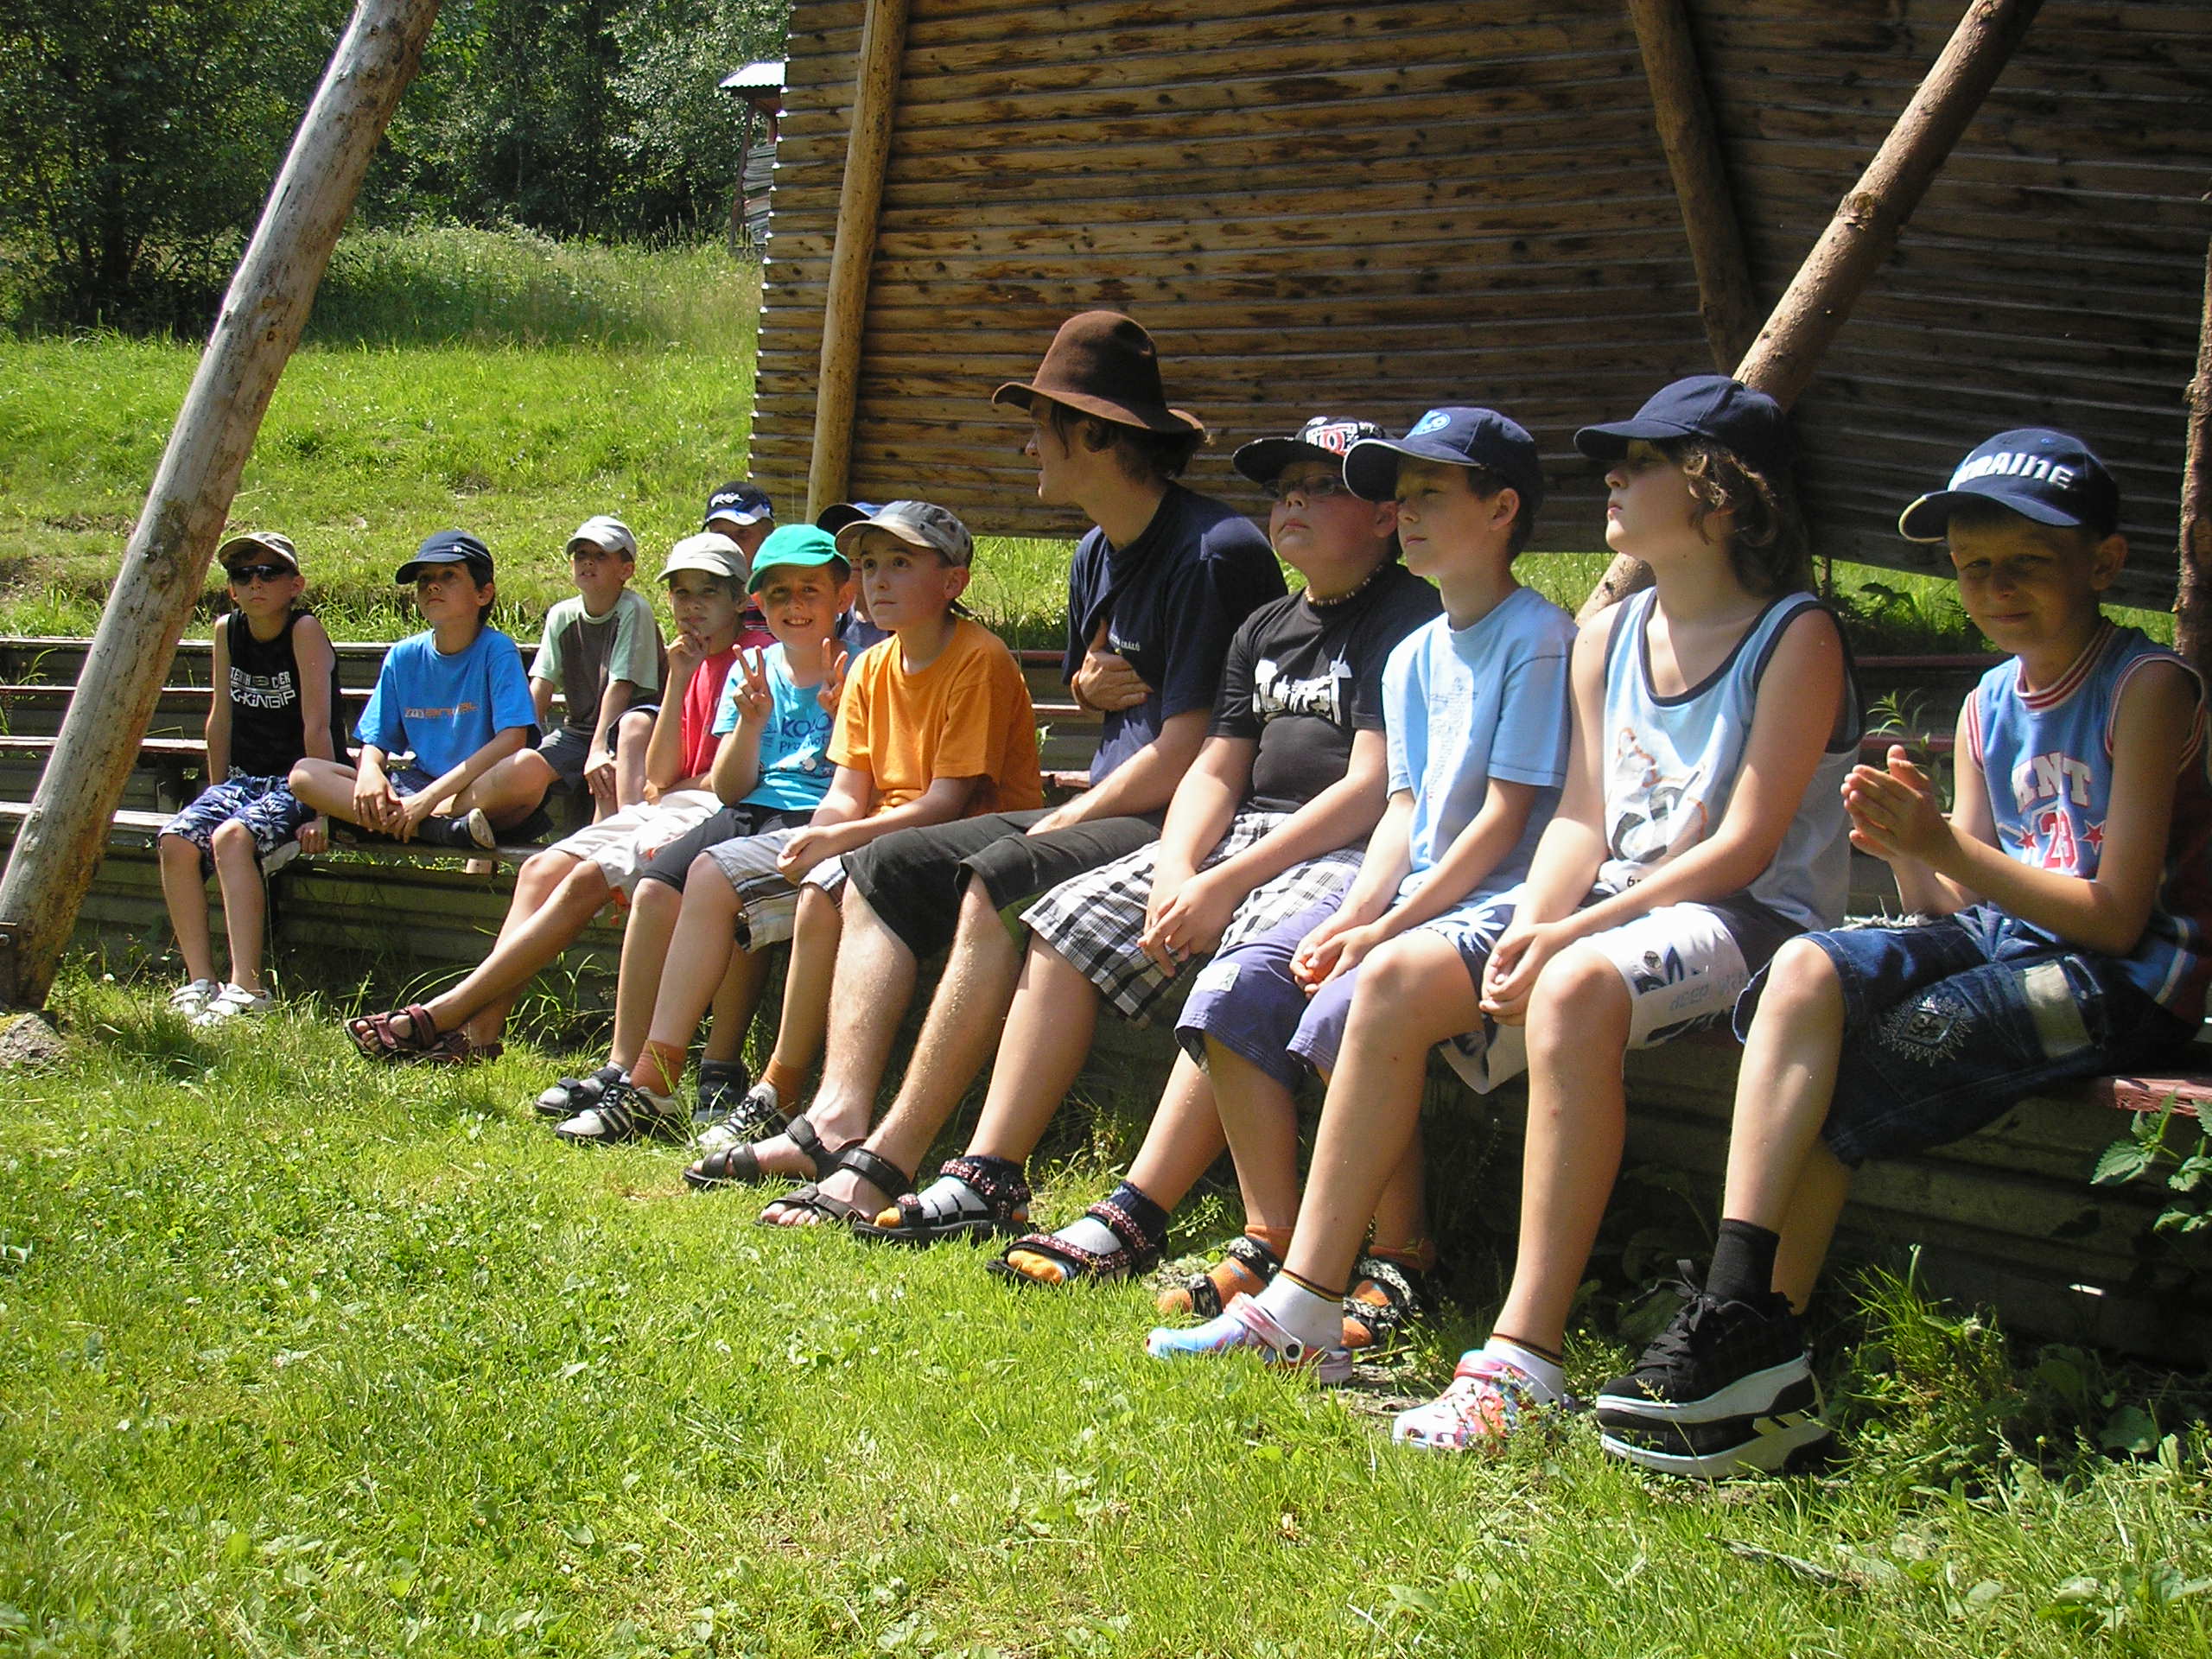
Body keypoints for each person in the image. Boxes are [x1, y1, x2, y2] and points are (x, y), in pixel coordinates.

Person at [1148, 377, 1859, 1444]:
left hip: (1748, 916)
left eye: (1643, 463)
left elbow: (1744, 848)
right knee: (1389, 978)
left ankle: (1525, 1357)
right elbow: (1579, 818)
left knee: (1570, 986)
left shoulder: (1794, 635)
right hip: (1613, 903)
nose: (1613, 479)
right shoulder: (1609, 633)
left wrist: (1565, 932)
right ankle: (1304, 1304)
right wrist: (1537, 913)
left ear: (1723, 492)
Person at [1597, 429, 2209, 1478]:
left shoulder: (2147, 687)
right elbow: (1957, 904)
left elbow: (2114, 918)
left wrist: (1944, 846)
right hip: (2011, 945)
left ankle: (1759, 1351)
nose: (1994, 588)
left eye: (2026, 562)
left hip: (2130, 980)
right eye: (1973, 567)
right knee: (1806, 968)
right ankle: (1741, 1311)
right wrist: (1911, 851)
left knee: (1882, 1049)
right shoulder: (1986, 704)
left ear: (2104, 564)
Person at [1008, 409, 1573, 1362]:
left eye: (1422, 495)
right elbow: (1399, 810)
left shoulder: (1525, 634)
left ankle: (1396, 1250)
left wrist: (1373, 920)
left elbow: (1496, 819)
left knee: (1327, 997)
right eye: (1284, 491)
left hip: (1487, 895)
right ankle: (1273, 1243)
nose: (1405, 510)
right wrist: (1350, 912)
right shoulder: (1414, 653)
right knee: (1226, 978)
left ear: (1499, 509)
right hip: (1390, 884)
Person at [700, 311, 1283, 1230]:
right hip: (1114, 800)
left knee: (998, 875)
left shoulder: (1215, 553)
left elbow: (1196, 748)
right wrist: (1087, 693)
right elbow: (1103, 686)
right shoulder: (1095, 552)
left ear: (1096, 433)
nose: (1028, 446)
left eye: (1042, 426)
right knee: (879, 865)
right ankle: (835, 1120)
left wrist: (1072, 810)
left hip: (1181, 819)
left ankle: (894, 1163)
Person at [854, 415, 1438, 1249]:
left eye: (1322, 488)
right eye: (1284, 491)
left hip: (1345, 847)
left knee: (1240, 960)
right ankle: (990, 1172)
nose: (1294, 503)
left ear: (1384, 516)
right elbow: (1216, 767)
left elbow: (1370, 787)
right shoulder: (1264, 626)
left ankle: (1141, 1206)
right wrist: (1176, 867)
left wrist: (1221, 884)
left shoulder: (1406, 618)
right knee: (1063, 920)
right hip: (1241, 833)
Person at [559, 505, 1043, 1161]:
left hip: (970, 843)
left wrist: (834, 842)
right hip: (880, 834)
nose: (879, 580)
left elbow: (945, 803)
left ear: (953, 582)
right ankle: (654, 1079)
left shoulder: (978, 659)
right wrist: (815, 834)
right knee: (712, 869)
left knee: (820, 888)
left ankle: (778, 1088)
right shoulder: (872, 666)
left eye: (901, 563)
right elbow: (846, 791)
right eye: (869, 564)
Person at [340, 532, 751, 1064]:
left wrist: (669, 785)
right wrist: (679, 680)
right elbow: (660, 774)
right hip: (670, 804)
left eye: (709, 592)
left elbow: (727, 783)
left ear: (740, 599)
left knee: (583, 878)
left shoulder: (753, 661)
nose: (692, 606)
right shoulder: (689, 660)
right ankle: (480, 1036)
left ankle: (442, 1015)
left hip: (716, 812)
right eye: (682, 593)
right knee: (539, 870)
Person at [157, 532, 344, 1025]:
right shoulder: (227, 630)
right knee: (176, 840)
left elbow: (318, 726)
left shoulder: (304, 630)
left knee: (232, 838)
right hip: (243, 780)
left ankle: (248, 988)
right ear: (232, 589)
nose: (255, 584)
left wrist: (322, 813)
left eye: (268, 573)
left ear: (294, 585)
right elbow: (221, 718)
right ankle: (200, 980)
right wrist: (217, 790)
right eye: (242, 575)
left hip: (301, 779)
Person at [291, 530, 543, 851]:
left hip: (472, 790)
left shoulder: (497, 651)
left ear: (483, 593)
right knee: (304, 775)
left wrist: (428, 800)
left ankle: (403, 822)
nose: (433, 586)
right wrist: (369, 772)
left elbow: (513, 739)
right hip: (414, 787)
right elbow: (375, 740)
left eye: (449, 575)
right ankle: (439, 830)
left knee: (528, 768)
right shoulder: (404, 656)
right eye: (424, 579)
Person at [465, 515, 663, 822]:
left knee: (605, 777)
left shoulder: (633, 610)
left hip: (624, 730)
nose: (588, 562)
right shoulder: (562, 614)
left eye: (600, 556)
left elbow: (620, 686)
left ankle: (598, 848)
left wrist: (598, 749)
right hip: (577, 732)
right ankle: (453, 824)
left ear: (626, 570)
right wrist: (517, 742)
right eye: (581, 555)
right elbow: (542, 684)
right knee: (517, 769)